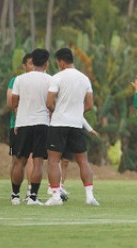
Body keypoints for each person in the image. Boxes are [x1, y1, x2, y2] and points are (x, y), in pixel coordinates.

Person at [44, 48, 99, 206]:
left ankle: (55, 197)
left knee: (53, 161)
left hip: (59, 123)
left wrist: (58, 111)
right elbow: (89, 104)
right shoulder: (84, 79)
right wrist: (76, 112)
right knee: (83, 160)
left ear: (61, 62)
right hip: (76, 125)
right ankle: (89, 196)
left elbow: (49, 103)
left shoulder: (57, 77)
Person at [9, 48, 52, 205]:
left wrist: (19, 117)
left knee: (20, 160)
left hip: (23, 123)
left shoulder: (20, 79)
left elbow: (14, 103)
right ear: (47, 63)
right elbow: (51, 104)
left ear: (32, 61)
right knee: (38, 161)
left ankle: (14, 196)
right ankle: (32, 197)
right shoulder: (50, 80)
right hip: (42, 123)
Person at [6, 53, 34, 199]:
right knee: (16, 160)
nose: (32, 66)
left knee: (31, 158)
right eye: (30, 63)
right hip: (16, 125)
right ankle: (15, 193)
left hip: (34, 124)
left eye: (34, 63)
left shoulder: (41, 81)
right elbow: (10, 103)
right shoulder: (15, 80)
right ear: (24, 66)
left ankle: (30, 192)